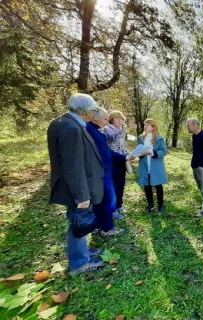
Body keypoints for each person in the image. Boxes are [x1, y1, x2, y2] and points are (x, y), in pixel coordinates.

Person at [47, 93, 105, 275]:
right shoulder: (71, 128)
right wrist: (82, 195)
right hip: (76, 188)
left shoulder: (63, 122)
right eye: (94, 109)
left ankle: (83, 252)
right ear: (86, 111)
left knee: (78, 221)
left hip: (74, 185)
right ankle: (80, 263)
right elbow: (73, 166)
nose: (94, 113)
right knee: (77, 222)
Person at [86, 107, 135, 236]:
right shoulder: (99, 131)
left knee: (114, 192)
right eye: (106, 119)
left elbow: (117, 147)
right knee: (107, 197)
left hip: (113, 163)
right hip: (105, 168)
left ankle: (102, 223)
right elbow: (108, 148)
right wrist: (125, 129)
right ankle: (106, 227)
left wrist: (127, 155)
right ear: (95, 117)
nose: (106, 121)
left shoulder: (95, 130)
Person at [137, 118, 168, 213]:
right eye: (144, 125)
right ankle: (150, 204)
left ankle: (160, 205)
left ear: (153, 127)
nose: (145, 127)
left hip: (156, 164)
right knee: (147, 185)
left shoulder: (159, 138)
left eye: (147, 125)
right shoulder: (141, 138)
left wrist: (153, 152)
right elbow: (138, 150)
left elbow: (164, 151)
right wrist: (141, 153)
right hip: (145, 164)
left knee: (158, 185)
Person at [103, 110, 129, 219]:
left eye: (122, 119)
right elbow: (112, 139)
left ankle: (119, 205)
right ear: (111, 119)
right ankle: (112, 210)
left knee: (121, 184)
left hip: (121, 160)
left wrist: (129, 153)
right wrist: (124, 130)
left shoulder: (119, 130)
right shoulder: (106, 129)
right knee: (114, 186)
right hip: (112, 161)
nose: (120, 121)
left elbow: (121, 146)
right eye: (118, 118)